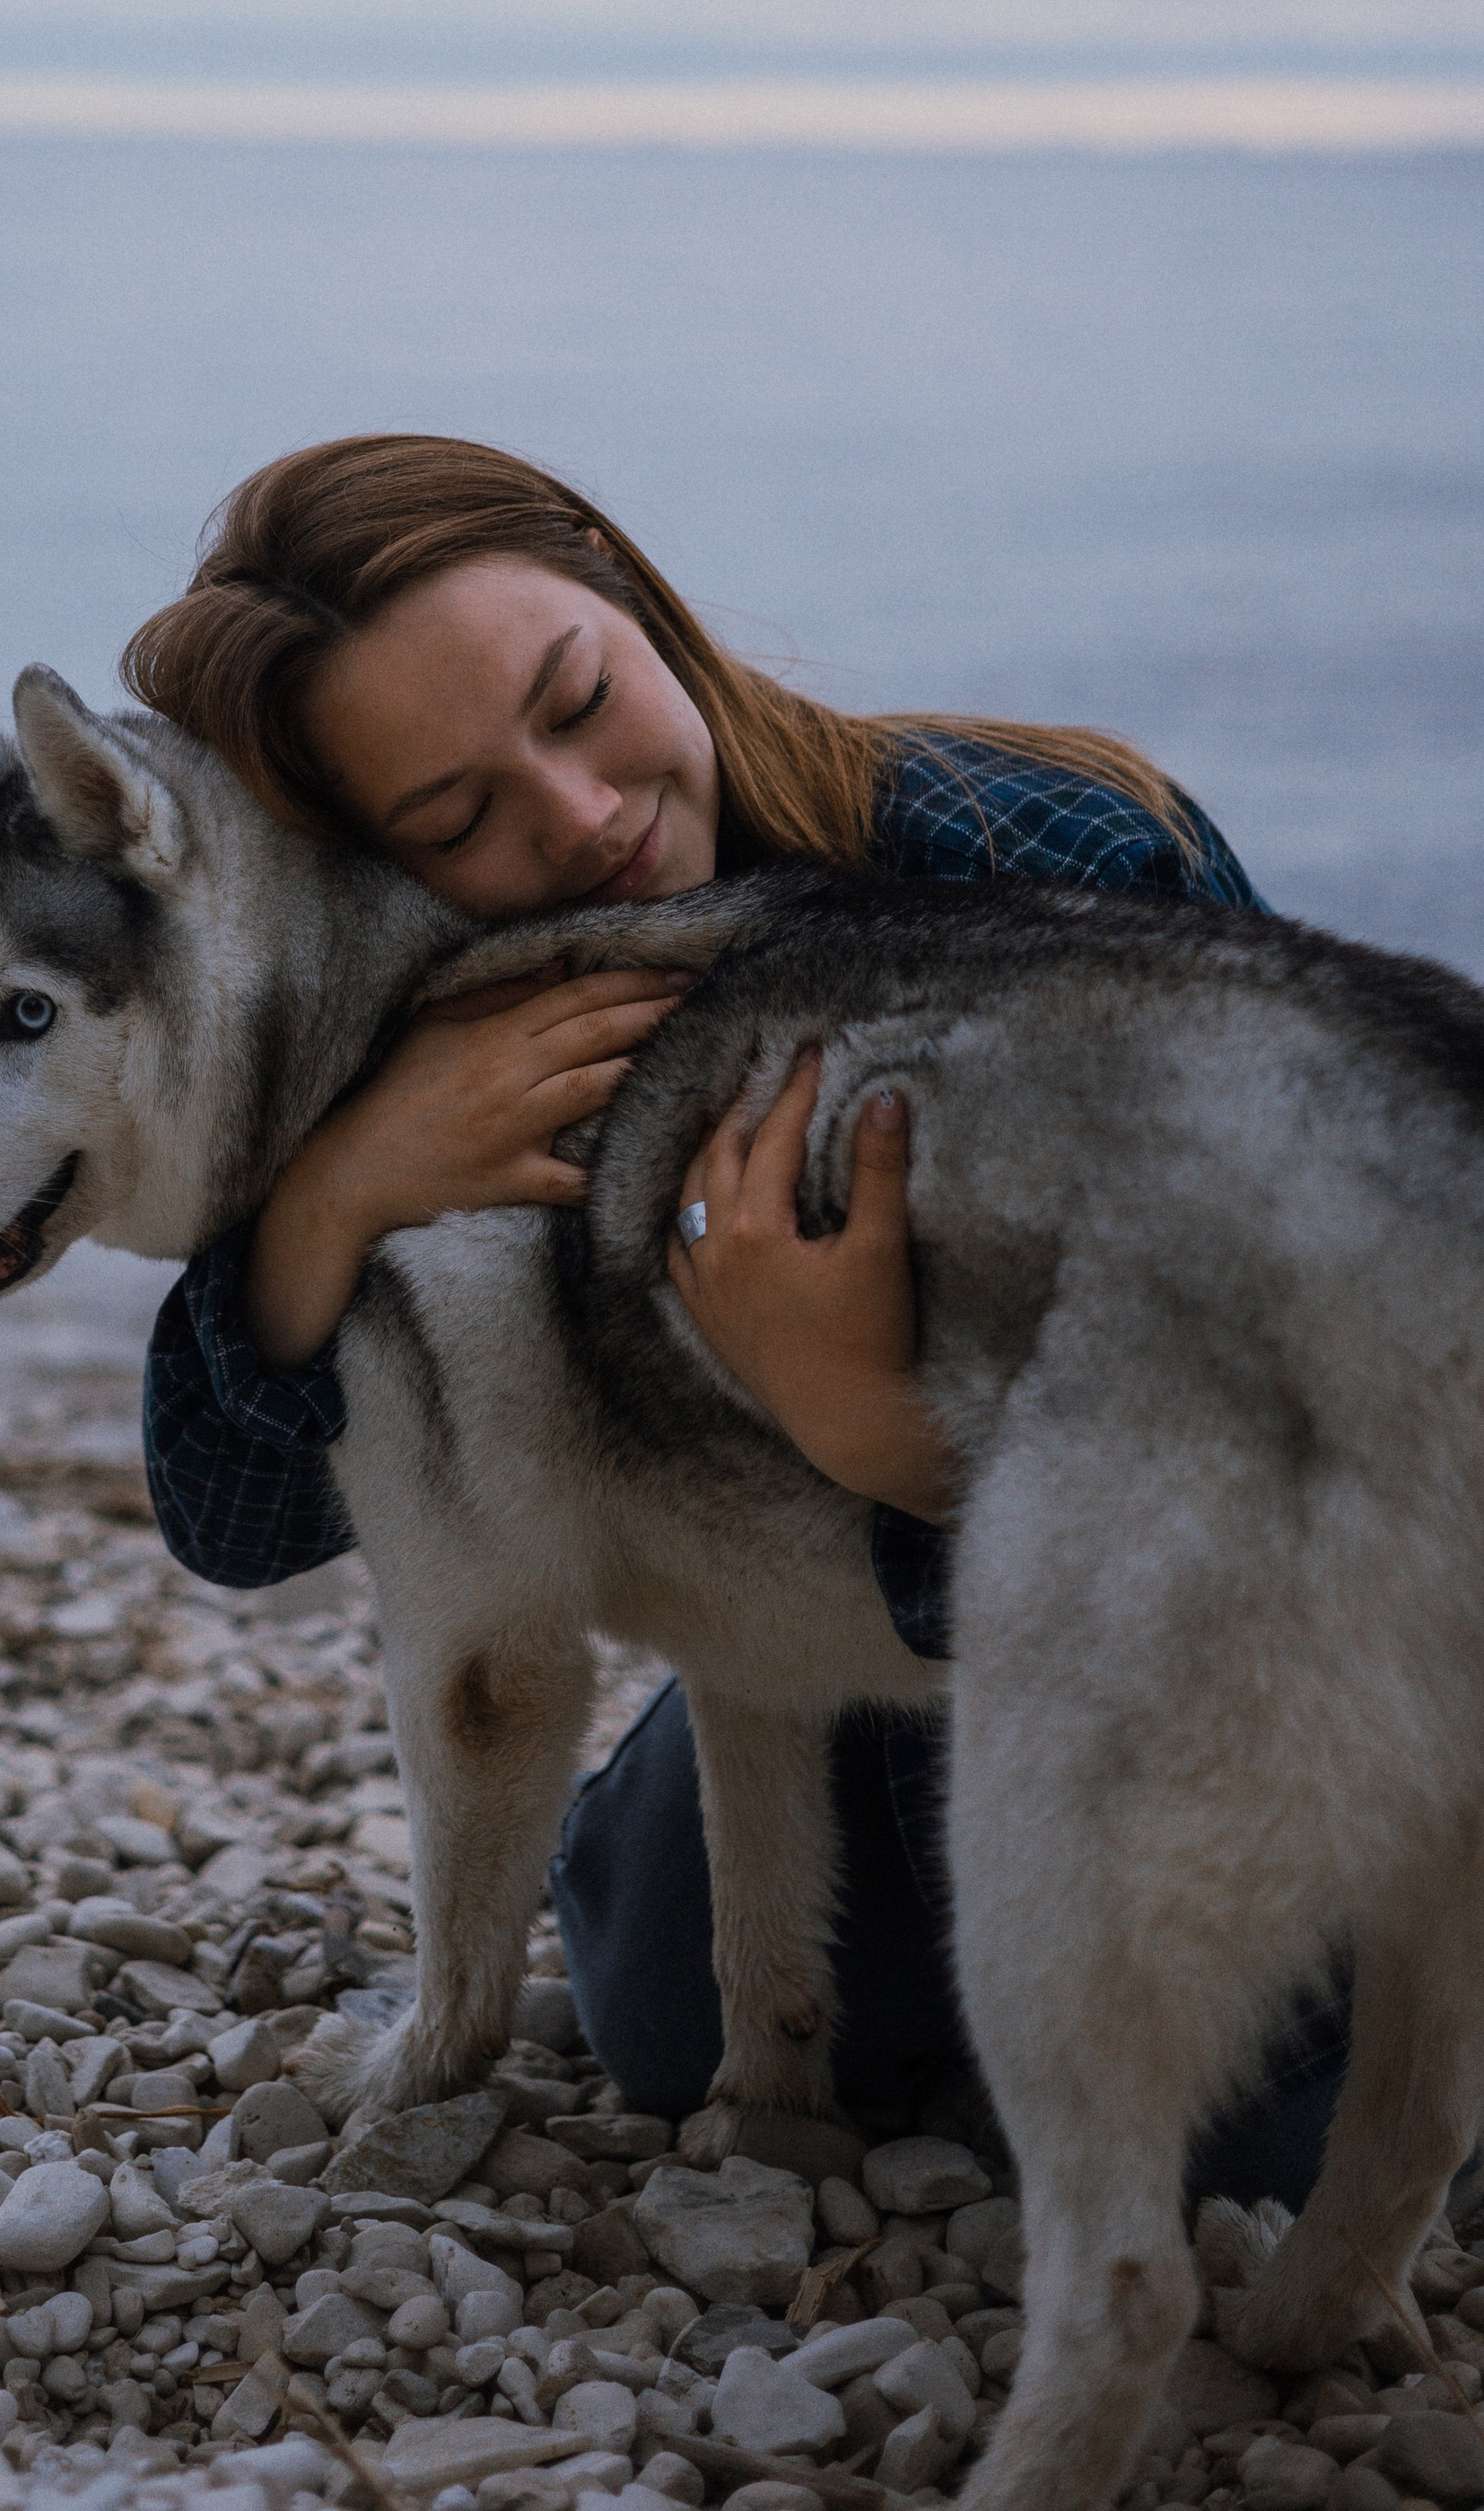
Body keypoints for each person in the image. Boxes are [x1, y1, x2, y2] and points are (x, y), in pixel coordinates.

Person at [121, 431, 1346, 2203]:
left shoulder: (1036, 856)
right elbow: (233, 1524)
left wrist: (872, 1427)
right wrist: (336, 1192)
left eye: (576, 700)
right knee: (657, 2016)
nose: (576, 820)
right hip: (824, 1658)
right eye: (456, 821)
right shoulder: (455, 1000)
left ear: (623, 584)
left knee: (1246, 2137)